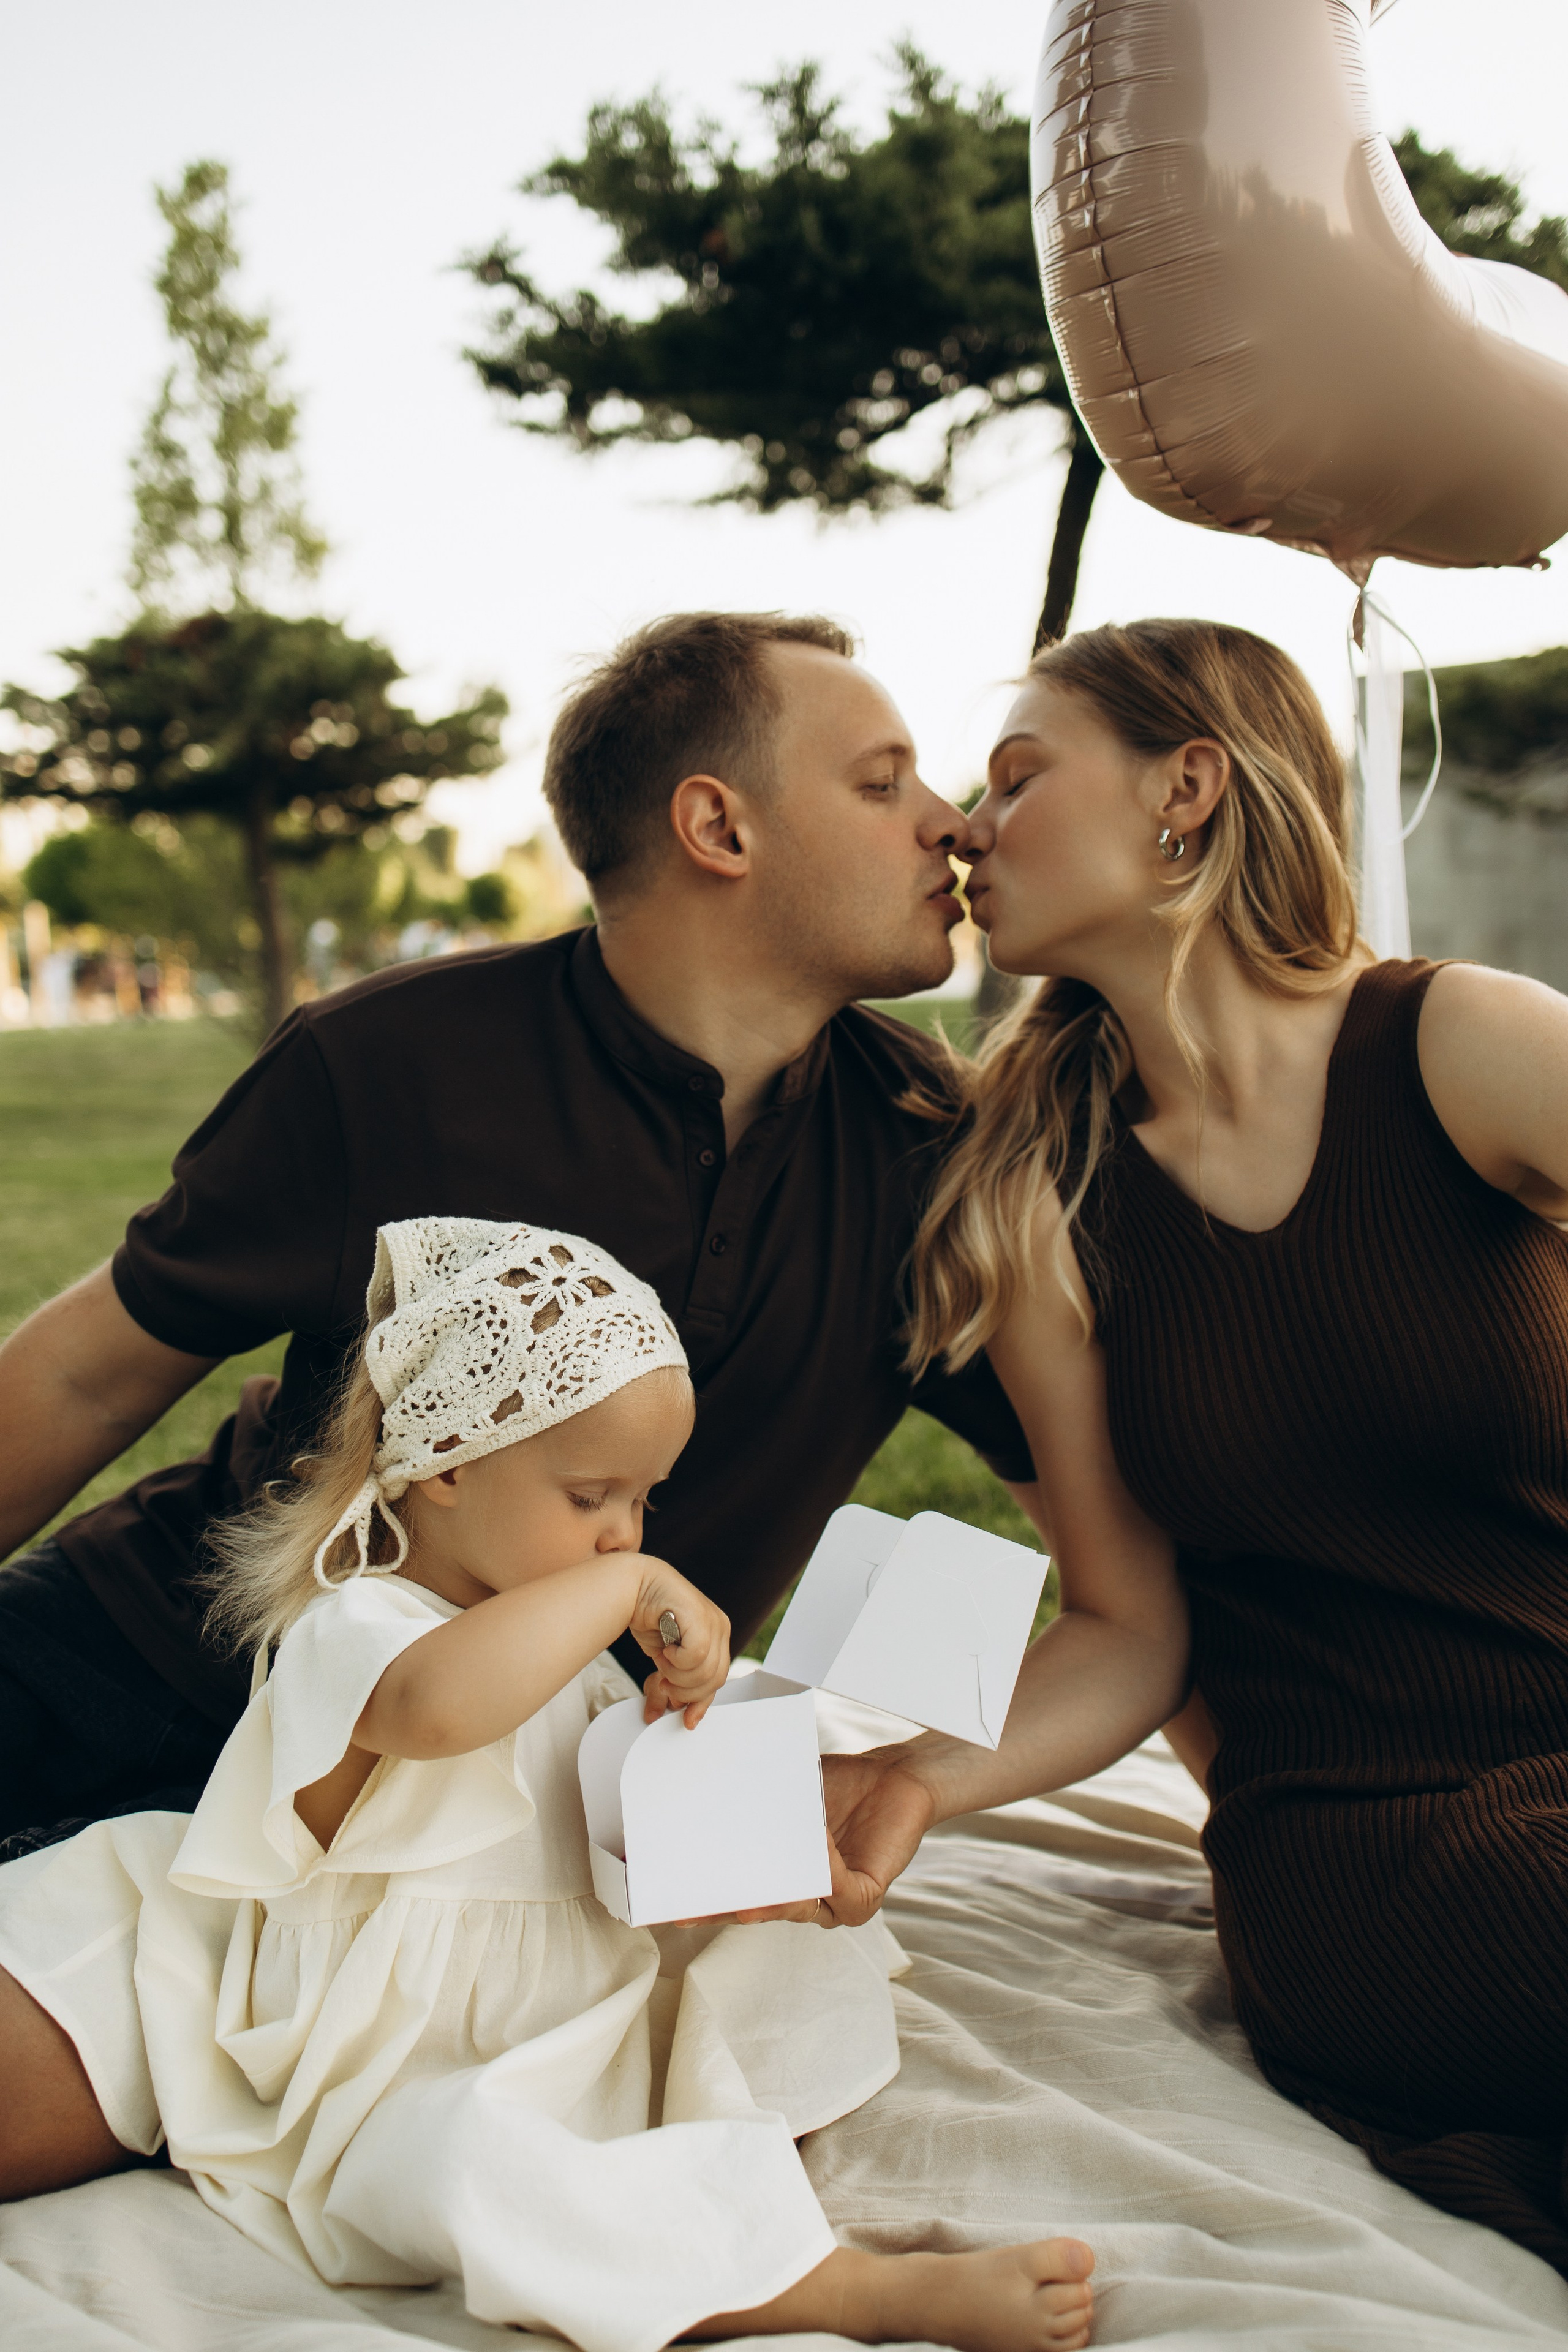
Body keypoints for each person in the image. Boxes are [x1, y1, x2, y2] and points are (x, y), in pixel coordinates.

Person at [0, 608, 1040, 1853]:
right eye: (882, 783)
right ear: (718, 827)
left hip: (475, 1818)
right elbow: (89, 1372)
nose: (952, 822)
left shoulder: (937, 1162)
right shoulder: (389, 1061)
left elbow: (1130, 1562)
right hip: (151, 1652)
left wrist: (900, 1786)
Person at [809, 619, 1568, 2271]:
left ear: (1188, 790)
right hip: (1376, 1854)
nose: (963, 825)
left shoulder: (1464, 1047)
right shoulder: (1041, 1207)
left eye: (1016, 779)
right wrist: (910, 1778)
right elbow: (1129, 1629)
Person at [0, 1216, 1095, 2352]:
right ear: (451, 1466)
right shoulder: (363, 1626)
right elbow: (436, 1713)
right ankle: (822, 2291)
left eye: (645, 1504)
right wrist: (632, 1586)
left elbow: (597, 1834)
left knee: (746, 1990)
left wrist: (741, 1831)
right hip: (374, 2059)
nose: (624, 1533)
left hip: (547, 2021)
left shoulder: (567, 1653)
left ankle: (751, 2213)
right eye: (593, 1498)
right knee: (464, 2164)